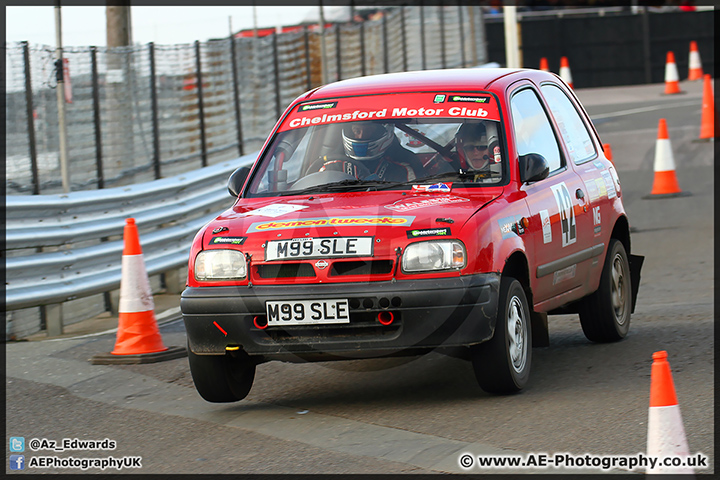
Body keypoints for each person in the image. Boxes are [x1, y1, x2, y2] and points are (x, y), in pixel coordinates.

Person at [315, 122, 425, 182]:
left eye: (369, 131)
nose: (361, 137)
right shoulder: (331, 168)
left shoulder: (401, 170)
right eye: (357, 131)